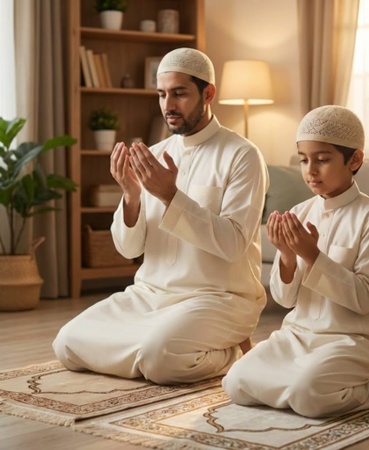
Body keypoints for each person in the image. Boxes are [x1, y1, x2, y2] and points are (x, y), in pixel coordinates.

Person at [53, 48, 269, 384]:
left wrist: (171, 195)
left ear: (208, 93)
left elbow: (233, 245)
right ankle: (158, 342)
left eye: (180, 93)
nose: (168, 105)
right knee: (67, 343)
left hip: (219, 298)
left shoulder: (242, 156)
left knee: (160, 361)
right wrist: (131, 195)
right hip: (150, 295)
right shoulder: (154, 155)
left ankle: (233, 351)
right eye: (162, 94)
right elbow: (128, 250)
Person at [222, 105, 369, 418]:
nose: (310, 170)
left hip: (355, 339)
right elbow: (286, 299)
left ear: (354, 160)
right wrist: (288, 256)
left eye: (323, 159)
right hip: (299, 336)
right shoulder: (300, 213)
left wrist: (311, 255)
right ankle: (309, 376)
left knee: (309, 396)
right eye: (304, 159)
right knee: (236, 382)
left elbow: (365, 299)